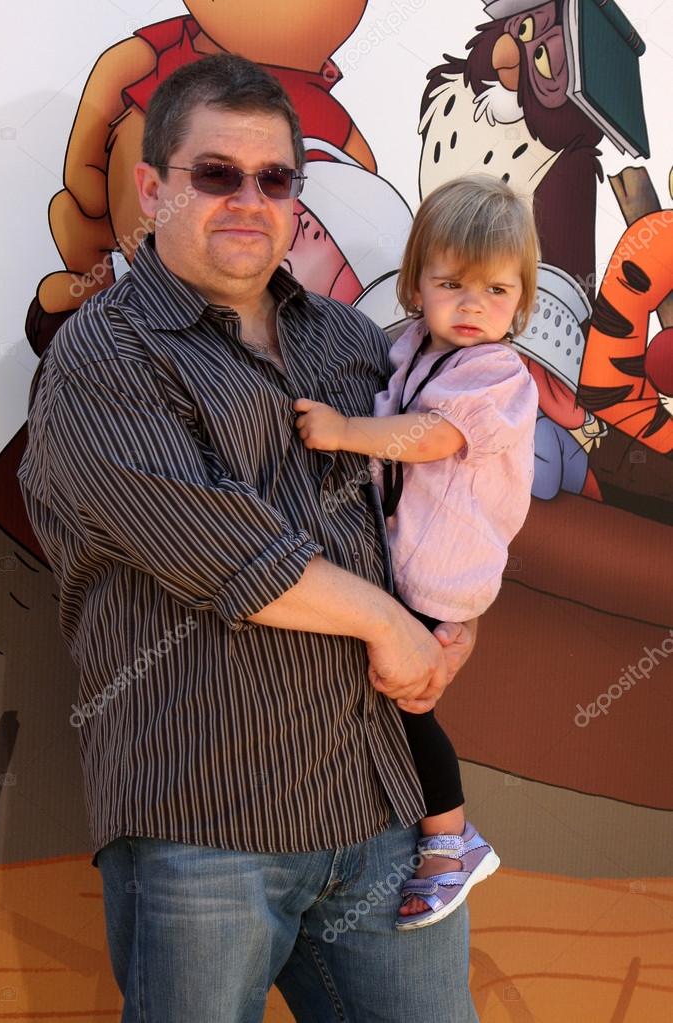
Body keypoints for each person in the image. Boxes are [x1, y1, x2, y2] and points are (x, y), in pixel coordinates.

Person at [18, 55, 480, 1022]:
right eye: (216, 173)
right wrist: (391, 627)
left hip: (385, 806)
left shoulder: (355, 343)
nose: (250, 200)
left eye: (275, 179)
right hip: (206, 824)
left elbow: (443, 495)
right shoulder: (104, 355)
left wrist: (452, 619)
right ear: (152, 187)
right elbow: (227, 552)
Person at [294, 175, 540, 930]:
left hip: (442, 573)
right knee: (392, 694)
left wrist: (340, 432)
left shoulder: (497, 375)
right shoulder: (406, 349)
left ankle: (448, 839)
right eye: (451, 284)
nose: (473, 307)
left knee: (406, 703)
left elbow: (429, 437)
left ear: (522, 301)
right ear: (414, 285)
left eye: (497, 292)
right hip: (407, 561)